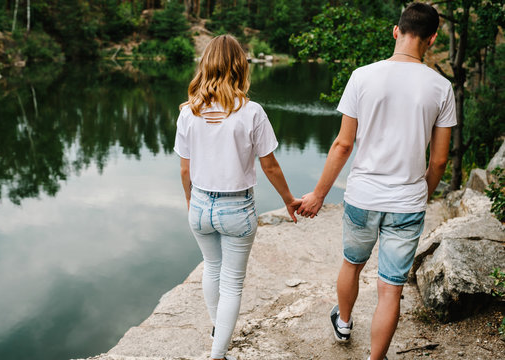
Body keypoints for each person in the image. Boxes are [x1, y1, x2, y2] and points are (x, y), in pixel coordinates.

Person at [297, 3, 456, 360]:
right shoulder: (441, 88)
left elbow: (343, 144)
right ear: (431, 39)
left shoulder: (362, 76)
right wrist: (420, 195)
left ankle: (345, 321)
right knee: (390, 289)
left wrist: (319, 195)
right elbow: (440, 160)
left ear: (396, 31)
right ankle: (375, 358)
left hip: (363, 197)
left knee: (352, 263)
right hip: (408, 202)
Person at [174, 35, 301, 360]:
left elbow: (185, 171)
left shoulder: (189, 113)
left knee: (211, 268)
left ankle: (219, 331)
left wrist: (191, 203)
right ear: (240, 68)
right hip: (237, 209)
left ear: (206, 66)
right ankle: (218, 354)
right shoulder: (252, 113)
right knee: (231, 283)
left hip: (200, 204)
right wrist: (288, 200)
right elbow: (269, 165)